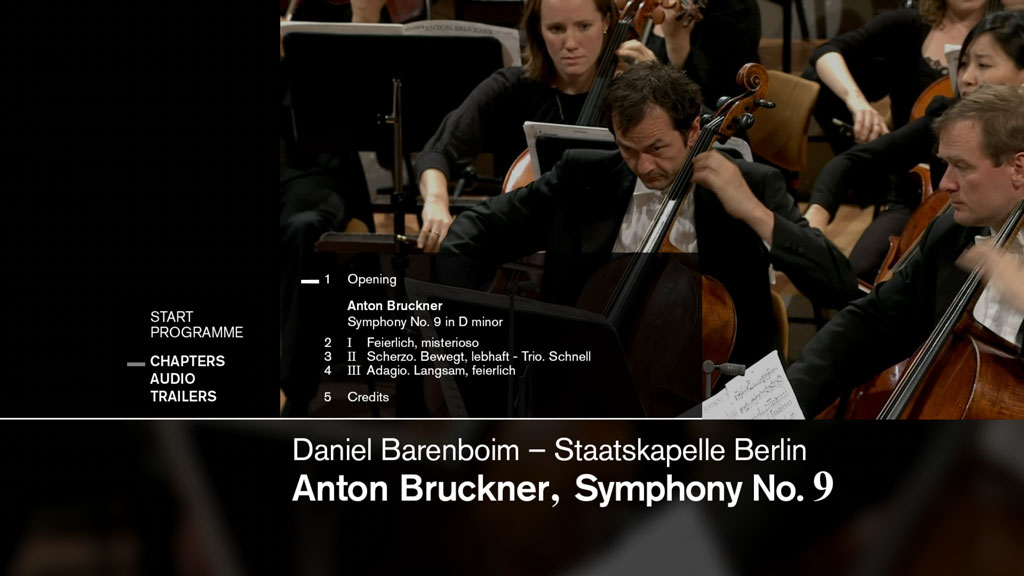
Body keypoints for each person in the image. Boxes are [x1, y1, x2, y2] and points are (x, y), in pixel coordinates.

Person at [438, 62, 859, 379]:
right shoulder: (583, 177)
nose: (643, 166)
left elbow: (837, 286)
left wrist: (754, 212)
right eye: (628, 149)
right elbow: (474, 232)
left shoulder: (754, 185)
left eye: (658, 148)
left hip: (715, 393)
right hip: (590, 384)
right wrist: (463, 335)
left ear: (693, 131)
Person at [414, 0, 762, 252]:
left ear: (607, 23)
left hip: (618, 249)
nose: (570, 43)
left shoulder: (633, 97)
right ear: (538, 30)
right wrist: (436, 201)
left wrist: (659, 79)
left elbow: (715, 138)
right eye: (556, 29)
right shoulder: (511, 87)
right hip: (527, 252)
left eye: (584, 27)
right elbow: (439, 151)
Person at [787, 84, 1024, 417]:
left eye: (962, 166)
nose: (945, 183)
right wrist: (786, 400)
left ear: (1018, 168)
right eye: (946, 165)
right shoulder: (951, 232)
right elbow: (873, 324)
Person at [804, 10, 1024, 283]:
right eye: (963, 64)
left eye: (984, 65)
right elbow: (854, 162)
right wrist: (817, 214)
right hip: (942, 224)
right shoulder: (945, 118)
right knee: (859, 275)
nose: (967, 78)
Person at [803, 0, 988, 154]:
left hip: (983, 160)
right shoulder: (908, 24)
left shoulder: (1001, 34)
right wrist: (857, 101)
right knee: (816, 79)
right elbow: (826, 52)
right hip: (911, 164)